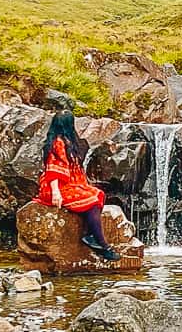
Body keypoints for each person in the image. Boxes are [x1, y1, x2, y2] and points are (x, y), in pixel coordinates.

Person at [37, 110, 120, 261]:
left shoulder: (67, 141)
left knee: (98, 194)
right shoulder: (58, 143)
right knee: (92, 200)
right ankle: (102, 245)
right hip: (57, 187)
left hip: (71, 184)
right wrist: (56, 193)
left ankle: (90, 234)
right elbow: (54, 170)